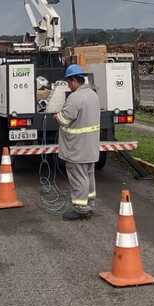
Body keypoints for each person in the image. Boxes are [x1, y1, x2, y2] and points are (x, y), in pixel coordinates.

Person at [55, 63, 101, 220]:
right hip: (90, 147)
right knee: (88, 176)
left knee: (78, 177)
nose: (68, 85)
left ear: (74, 80)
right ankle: (89, 204)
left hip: (77, 148)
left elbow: (64, 119)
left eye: (69, 82)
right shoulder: (93, 95)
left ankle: (81, 209)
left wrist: (57, 116)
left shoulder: (75, 98)